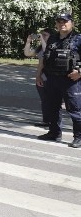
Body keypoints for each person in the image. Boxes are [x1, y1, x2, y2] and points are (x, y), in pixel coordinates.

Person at [37, 13, 81, 147]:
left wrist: (80, 72)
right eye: (59, 22)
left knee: (75, 109)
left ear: (71, 23)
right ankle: (54, 133)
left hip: (71, 80)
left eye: (65, 21)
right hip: (52, 78)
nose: (62, 24)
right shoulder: (52, 38)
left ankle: (79, 137)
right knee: (53, 107)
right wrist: (39, 75)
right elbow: (45, 58)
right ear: (56, 24)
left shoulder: (78, 38)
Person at [24, 28, 52, 127]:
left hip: (51, 77)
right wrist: (28, 42)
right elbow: (27, 54)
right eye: (42, 35)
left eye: (45, 35)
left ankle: (54, 122)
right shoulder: (40, 47)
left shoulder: (54, 47)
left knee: (53, 100)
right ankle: (46, 121)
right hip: (42, 76)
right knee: (44, 100)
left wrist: (42, 40)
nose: (42, 37)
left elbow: (47, 53)